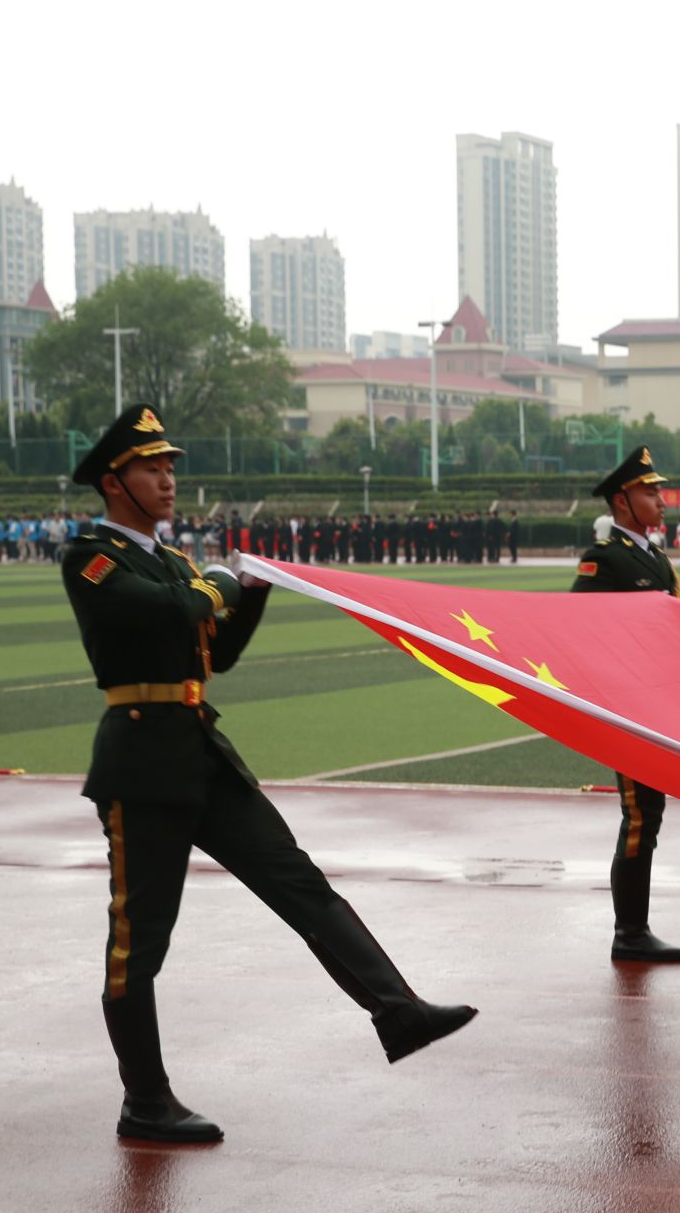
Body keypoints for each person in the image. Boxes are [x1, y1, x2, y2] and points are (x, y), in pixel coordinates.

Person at [63, 405, 476, 1144]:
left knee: (299, 883)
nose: (168, 479)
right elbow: (172, 612)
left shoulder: (173, 561)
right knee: (138, 942)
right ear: (113, 482)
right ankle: (146, 1101)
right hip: (141, 765)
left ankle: (398, 1009)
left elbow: (215, 653)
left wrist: (251, 594)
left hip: (201, 754)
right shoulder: (94, 558)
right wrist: (224, 580)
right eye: (152, 468)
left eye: (170, 466)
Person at [570, 446, 680, 964]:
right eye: (650, 491)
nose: (661, 500)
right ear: (622, 501)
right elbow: (575, 626)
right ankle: (630, 932)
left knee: (649, 814)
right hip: (629, 708)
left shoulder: (655, 558)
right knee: (639, 816)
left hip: (657, 705)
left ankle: (635, 929)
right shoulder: (605, 558)